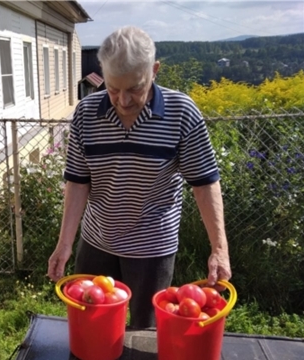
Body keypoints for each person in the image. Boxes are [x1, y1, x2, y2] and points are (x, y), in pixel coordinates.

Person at [47, 26, 231, 329]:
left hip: (152, 249)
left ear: (154, 70)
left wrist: (219, 249)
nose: (123, 100)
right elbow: (78, 181)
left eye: (135, 88)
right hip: (96, 242)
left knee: (145, 330)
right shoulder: (86, 113)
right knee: (92, 326)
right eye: (113, 88)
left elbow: (204, 183)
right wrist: (65, 243)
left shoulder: (182, 113)